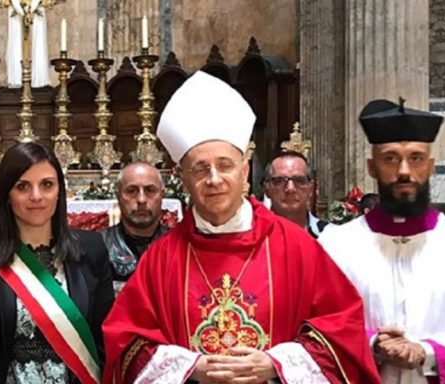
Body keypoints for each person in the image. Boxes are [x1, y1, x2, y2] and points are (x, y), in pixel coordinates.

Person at [102, 71, 380, 383]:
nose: (214, 179)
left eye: (225, 165)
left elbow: (343, 333)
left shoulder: (295, 247)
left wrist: (276, 364)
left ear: (245, 170)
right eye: (200, 168)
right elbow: (126, 345)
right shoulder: (161, 259)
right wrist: (190, 367)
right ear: (183, 179)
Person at [319, 98, 445, 383]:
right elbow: (321, 325)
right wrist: (372, 344)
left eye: (416, 158)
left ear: (430, 166)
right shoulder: (336, 245)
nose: (404, 170)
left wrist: (426, 352)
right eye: (390, 158)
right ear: (372, 167)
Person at [0, 142, 115, 384]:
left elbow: (105, 338)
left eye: (47, 185)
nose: (36, 196)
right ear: (6, 194)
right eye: (23, 186)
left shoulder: (91, 250)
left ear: (60, 190)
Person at [101, 162, 168, 292]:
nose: (141, 200)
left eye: (150, 190)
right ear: (118, 196)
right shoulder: (98, 246)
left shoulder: (179, 246)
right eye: (131, 191)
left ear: (162, 195)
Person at [263, 151, 330, 238]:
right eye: (279, 181)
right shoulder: (253, 237)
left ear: (311, 188)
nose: (290, 189)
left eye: (299, 180)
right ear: (266, 189)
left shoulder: (330, 236)